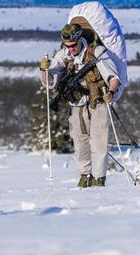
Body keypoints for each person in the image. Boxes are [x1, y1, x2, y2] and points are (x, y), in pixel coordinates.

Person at [40, 23, 121, 187]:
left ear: (79, 40)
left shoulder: (96, 53)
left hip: (98, 101)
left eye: (72, 46)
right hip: (76, 103)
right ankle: (85, 175)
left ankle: (99, 179)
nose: (70, 49)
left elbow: (114, 78)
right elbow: (50, 82)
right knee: (79, 140)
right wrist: (44, 70)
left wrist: (110, 92)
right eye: (67, 46)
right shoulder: (64, 55)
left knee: (99, 141)